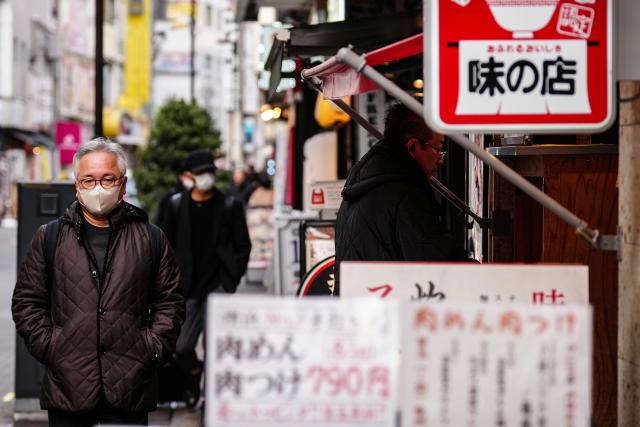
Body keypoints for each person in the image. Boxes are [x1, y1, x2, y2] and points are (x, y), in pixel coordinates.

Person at [12, 138, 185, 426]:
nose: (99, 188)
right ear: (77, 186)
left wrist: (152, 348)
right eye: (89, 181)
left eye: (107, 179)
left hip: (130, 386)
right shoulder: (50, 237)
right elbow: (27, 302)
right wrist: (51, 348)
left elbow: (171, 301)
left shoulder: (151, 238)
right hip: (68, 387)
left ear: (123, 184)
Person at [335, 103, 467, 288]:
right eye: (437, 148)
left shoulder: (362, 185)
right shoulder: (404, 194)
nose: (441, 159)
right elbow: (436, 263)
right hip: (387, 311)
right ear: (413, 147)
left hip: (361, 309)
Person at [159, 149, 251, 387]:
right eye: (200, 173)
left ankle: (210, 400)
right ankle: (195, 372)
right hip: (185, 288)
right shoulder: (176, 205)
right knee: (181, 346)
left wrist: (232, 278)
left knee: (217, 348)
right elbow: (163, 244)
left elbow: (243, 245)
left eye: (209, 171)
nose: (206, 177)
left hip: (218, 287)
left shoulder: (230, 204)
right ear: (189, 176)